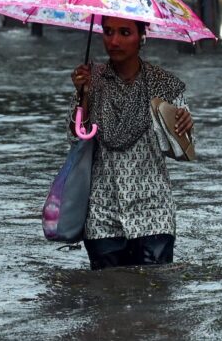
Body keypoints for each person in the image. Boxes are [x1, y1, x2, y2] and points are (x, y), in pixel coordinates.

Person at [70, 16, 194, 270]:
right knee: (105, 291)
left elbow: (184, 151)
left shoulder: (165, 85)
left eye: (124, 33)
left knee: (154, 290)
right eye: (108, 32)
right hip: (103, 214)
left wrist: (184, 126)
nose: (114, 41)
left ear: (141, 37)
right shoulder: (92, 80)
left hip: (153, 213)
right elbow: (76, 138)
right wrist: (82, 95)